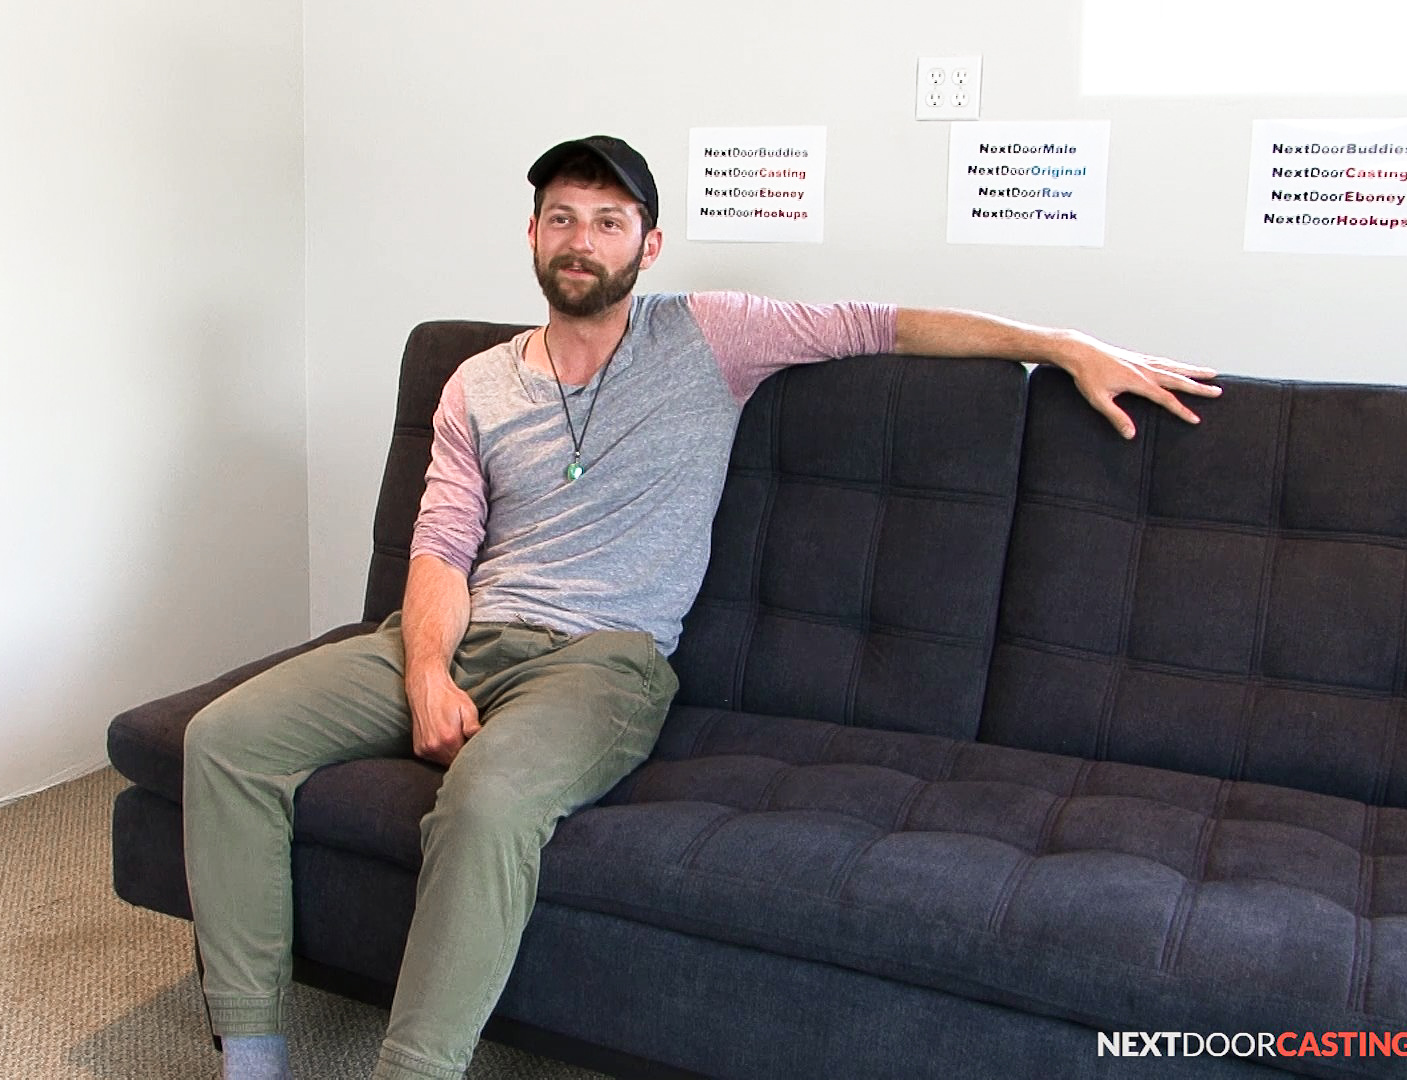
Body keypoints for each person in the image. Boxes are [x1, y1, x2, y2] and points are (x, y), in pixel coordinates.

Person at [183, 135, 1221, 1080]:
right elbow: (441, 549)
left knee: (490, 798)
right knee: (225, 740)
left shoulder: (712, 336)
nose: (581, 239)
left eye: (608, 221)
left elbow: (884, 322)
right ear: (532, 236)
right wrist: (423, 672)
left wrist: (1059, 343)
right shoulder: (476, 384)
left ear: (648, 245)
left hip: (602, 662)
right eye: (562, 217)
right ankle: (253, 1053)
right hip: (465, 632)